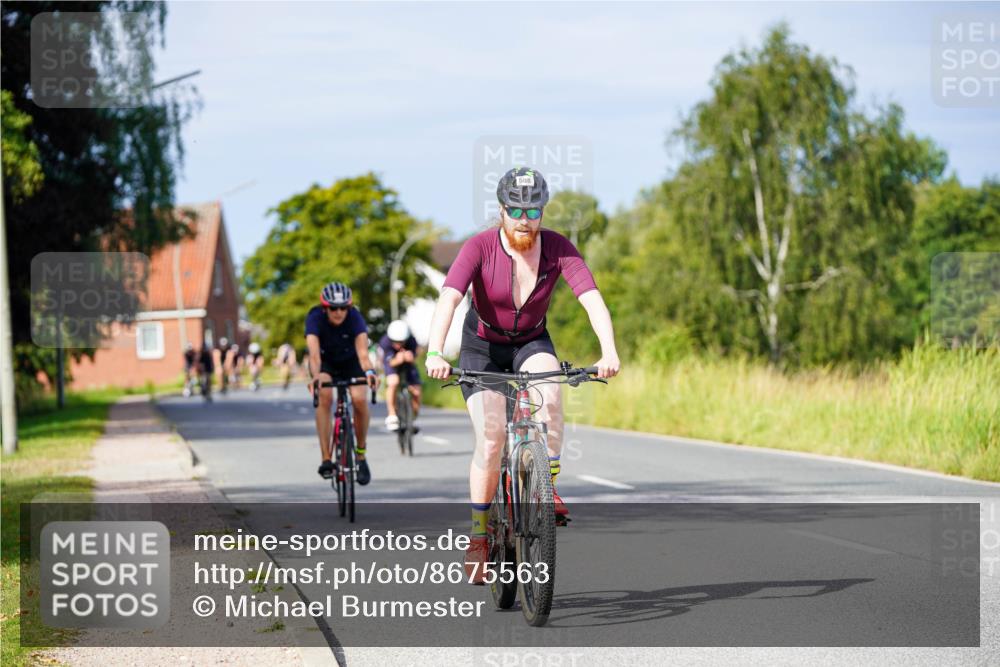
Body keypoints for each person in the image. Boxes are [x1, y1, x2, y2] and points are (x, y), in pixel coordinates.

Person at [424, 167, 620, 582]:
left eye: (533, 209)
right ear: (501, 209)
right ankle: (479, 537)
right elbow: (449, 299)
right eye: (515, 208)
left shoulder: (558, 249)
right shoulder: (479, 247)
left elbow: (592, 300)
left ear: (542, 211)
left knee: (550, 392)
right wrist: (436, 351)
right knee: (493, 438)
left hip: (531, 341)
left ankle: (545, 488)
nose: (524, 218)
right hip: (482, 348)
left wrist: (608, 350)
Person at [306, 281, 379, 484]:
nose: (338, 312)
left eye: (343, 308)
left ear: (349, 307)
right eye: (333, 308)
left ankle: (361, 454)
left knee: (359, 399)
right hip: (326, 363)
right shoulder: (314, 318)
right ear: (324, 308)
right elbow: (313, 356)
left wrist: (370, 372)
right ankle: (326, 459)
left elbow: (363, 354)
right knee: (325, 396)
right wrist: (315, 376)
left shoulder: (355, 317)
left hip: (351, 362)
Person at [380, 319, 422, 432]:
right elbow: (389, 362)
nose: (398, 345)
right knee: (393, 382)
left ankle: (412, 417)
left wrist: (411, 357)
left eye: (402, 342)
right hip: (392, 364)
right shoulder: (385, 342)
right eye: (396, 342)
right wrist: (398, 359)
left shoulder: (411, 340)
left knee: (416, 392)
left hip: (408, 366)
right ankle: (392, 414)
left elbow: (415, 354)